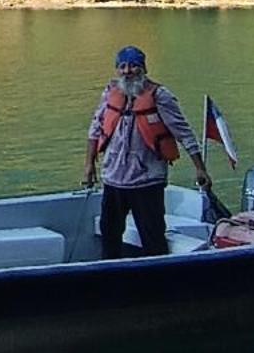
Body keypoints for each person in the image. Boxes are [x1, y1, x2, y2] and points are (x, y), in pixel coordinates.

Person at [84, 45, 211, 258]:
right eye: (122, 66)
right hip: (114, 178)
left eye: (133, 66)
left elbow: (183, 132)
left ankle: (157, 279)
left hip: (147, 180)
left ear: (143, 68)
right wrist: (89, 165)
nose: (127, 71)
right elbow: (95, 128)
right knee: (109, 231)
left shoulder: (160, 96)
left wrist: (200, 168)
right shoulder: (110, 93)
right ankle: (110, 274)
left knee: (152, 234)